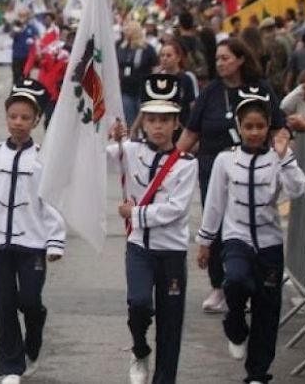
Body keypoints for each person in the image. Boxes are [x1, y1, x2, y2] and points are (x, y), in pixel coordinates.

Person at [196, 88, 305, 384]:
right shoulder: (225, 160)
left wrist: (283, 158)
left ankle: (257, 374)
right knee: (236, 281)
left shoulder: (279, 157)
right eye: (249, 127)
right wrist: (205, 242)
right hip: (236, 238)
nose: (255, 132)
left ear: (268, 126)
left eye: (260, 126)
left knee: (267, 311)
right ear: (239, 128)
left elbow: (298, 190)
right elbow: (215, 203)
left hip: (270, 243)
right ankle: (234, 324)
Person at [0, 78, 66, 384]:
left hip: (32, 243)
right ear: (6, 117)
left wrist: (55, 241)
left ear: (36, 120)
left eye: (25, 117)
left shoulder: (42, 158)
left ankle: (33, 339)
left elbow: (50, 202)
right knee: (6, 305)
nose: (18, 123)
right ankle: (10, 365)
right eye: (13, 116)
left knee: (30, 301)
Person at [106, 75, 198, 384]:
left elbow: (175, 210)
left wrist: (136, 213)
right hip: (140, 248)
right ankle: (140, 347)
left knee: (171, 327)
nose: (158, 126)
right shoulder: (131, 151)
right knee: (139, 304)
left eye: (165, 120)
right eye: (152, 119)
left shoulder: (186, 163)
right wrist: (110, 136)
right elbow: (96, 159)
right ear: (142, 122)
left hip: (170, 251)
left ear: (176, 123)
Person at [176, 38, 277, 314]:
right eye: (218, 58)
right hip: (214, 169)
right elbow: (190, 132)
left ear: (241, 59)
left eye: (226, 58)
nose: (220, 63)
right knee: (216, 224)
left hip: (251, 171)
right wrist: (168, 164)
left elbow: (279, 127)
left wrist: (282, 156)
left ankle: (245, 282)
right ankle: (219, 285)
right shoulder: (210, 93)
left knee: (247, 225)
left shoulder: (261, 89)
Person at [118, 21, 158, 121]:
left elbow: (156, 66)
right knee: (129, 119)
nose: (126, 33)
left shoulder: (147, 49)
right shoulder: (121, 47)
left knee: (144, 119)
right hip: (126, 89)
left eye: (128, 30)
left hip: (142, 89)